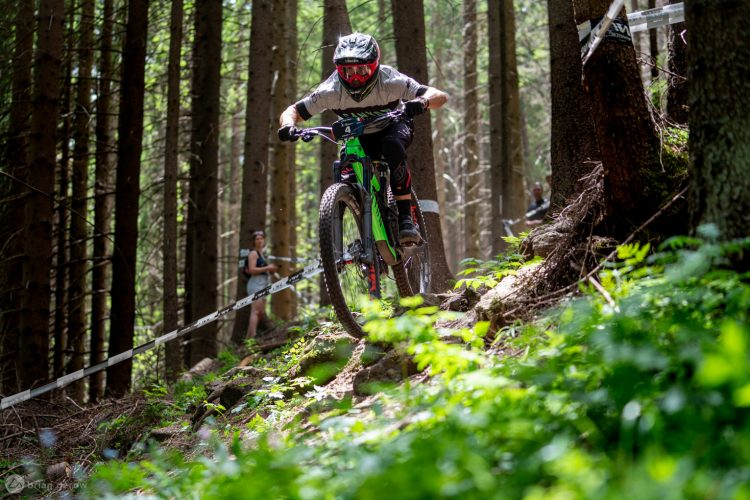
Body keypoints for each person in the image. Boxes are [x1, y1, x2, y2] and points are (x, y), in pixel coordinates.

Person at [277, 32, 448, 244]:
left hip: (392, 127)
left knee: (392, 146)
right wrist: (288, 125)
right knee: (346, 168)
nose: (355, 78)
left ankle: (405, 219)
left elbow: (439, 96)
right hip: (357, 136)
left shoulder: (390, 80)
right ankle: (347, 236)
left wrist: (422, 102)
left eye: (362, 70)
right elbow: (293, 110)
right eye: (347, 72)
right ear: (338, 70)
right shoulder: (330, 90)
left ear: (375, 66)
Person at [244, 230, 277, 340]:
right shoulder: (253, 253)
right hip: (255, 284)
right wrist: (268, 268)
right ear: (254, 241)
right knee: (256, 311)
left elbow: (263, 270)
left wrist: (271, 270)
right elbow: (252, 270)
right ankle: (252, 338)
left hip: (262, 284)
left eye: (261, 238)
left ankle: (248, 338)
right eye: (257, 239)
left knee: (260, 312)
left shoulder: (263, 254)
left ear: (264, 240)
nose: (259, 241)